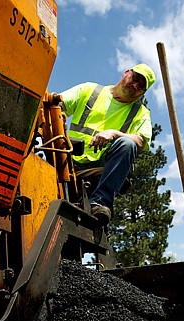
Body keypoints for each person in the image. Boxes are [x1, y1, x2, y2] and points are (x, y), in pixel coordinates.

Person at [60, 64, 155, 226]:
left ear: (142, 94)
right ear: (126, 73)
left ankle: (100, 203)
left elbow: (140, 141)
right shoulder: (89, 91)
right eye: (135, 79)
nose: (135, 86)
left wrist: (114, 133)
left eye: (140, 87)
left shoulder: (140, 112)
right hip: (67, 160)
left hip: (101, 170)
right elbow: (57, 104)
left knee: (127, 143)